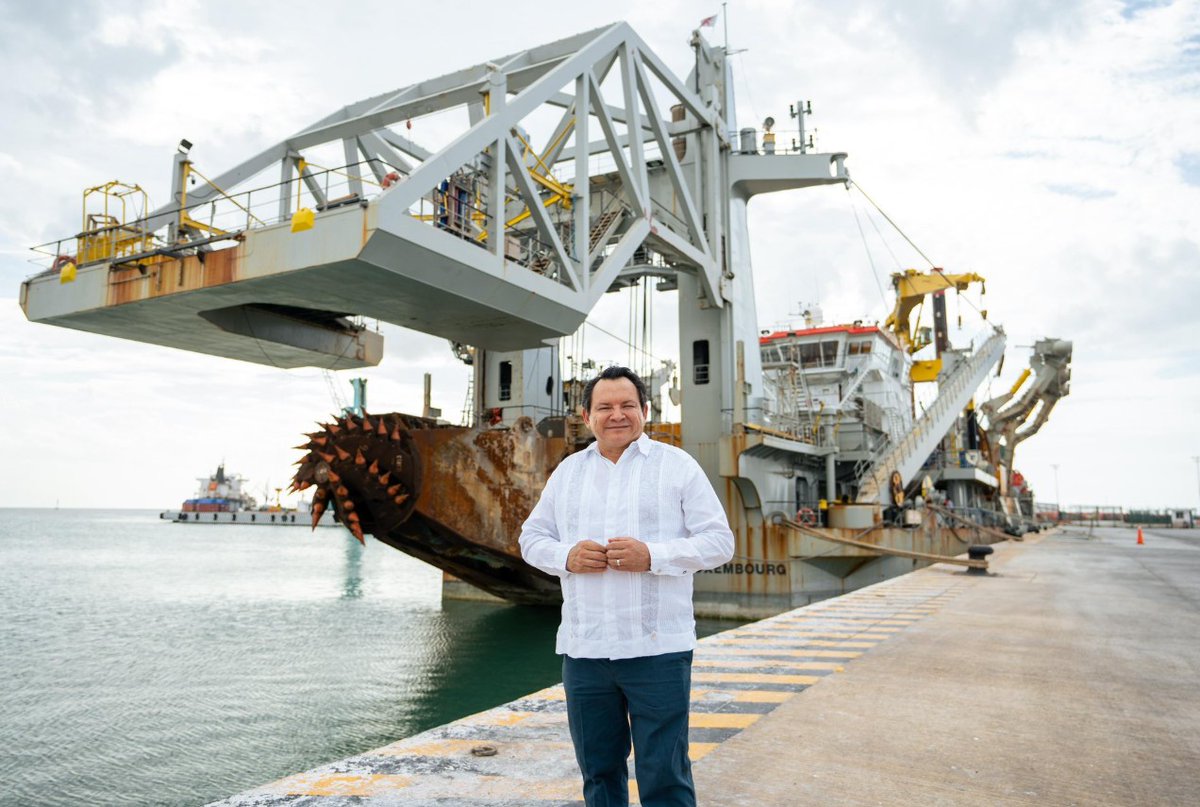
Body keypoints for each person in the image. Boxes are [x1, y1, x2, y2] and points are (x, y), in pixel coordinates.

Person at [519, 365, 734, 807]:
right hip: (585, 651)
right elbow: (531, 539)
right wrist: (566, 557)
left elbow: (719, 542)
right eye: (605, 407)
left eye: (627, 406)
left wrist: (653, 556)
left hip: (657, 650)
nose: (617, 415)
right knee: (598, 773)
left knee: (664, 773)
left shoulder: (678, 467)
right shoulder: (568, 473)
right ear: (586, 416)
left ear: (645, 411)